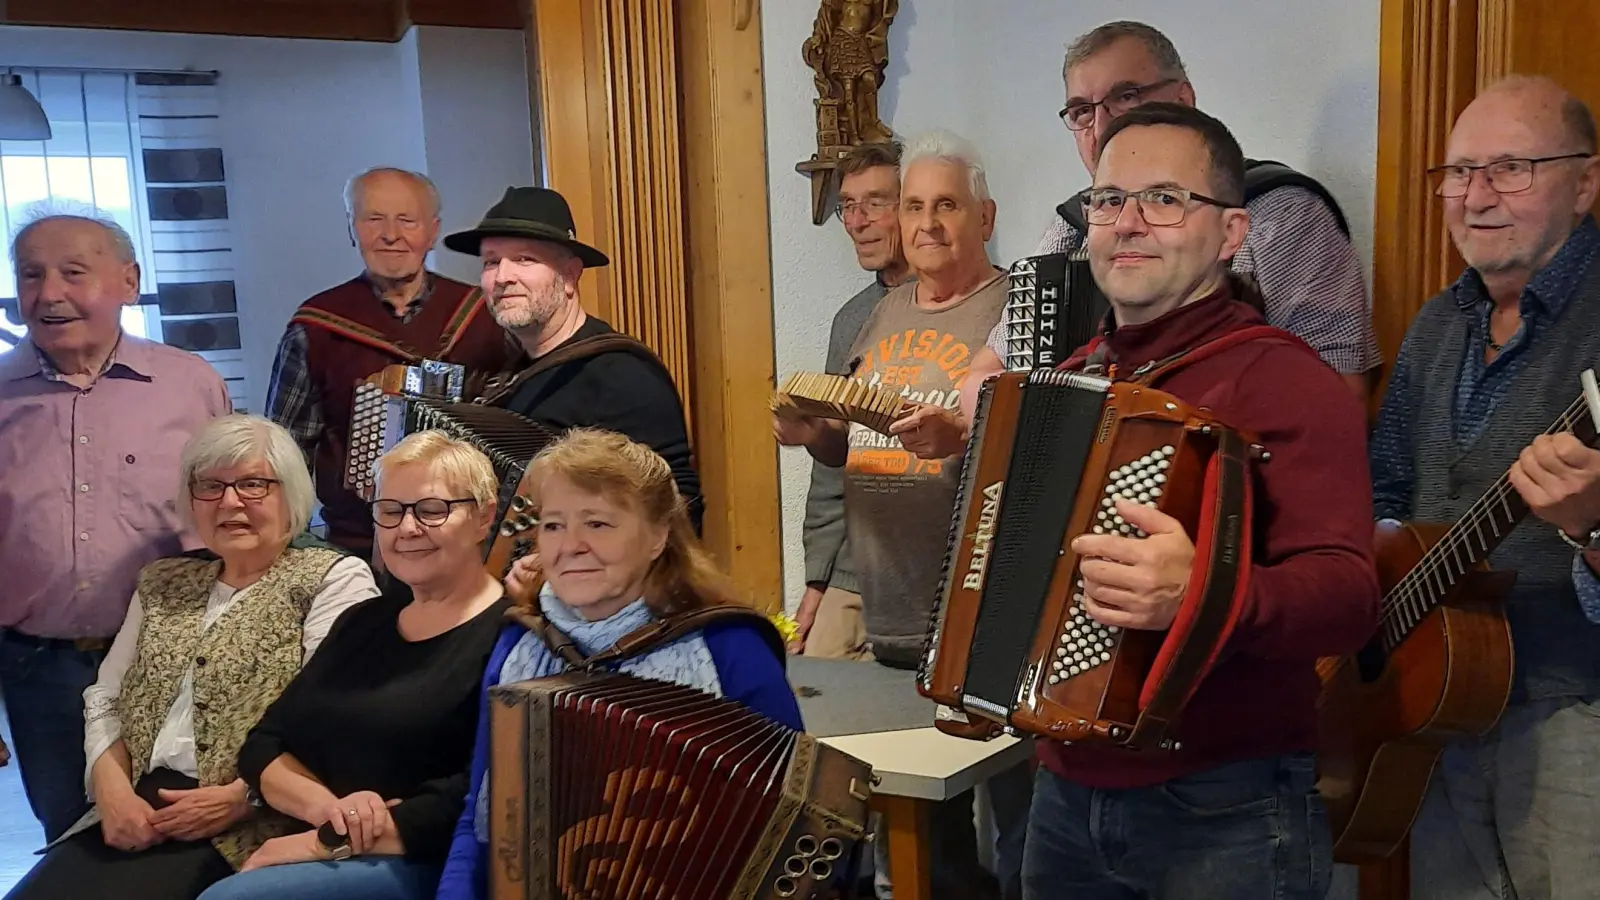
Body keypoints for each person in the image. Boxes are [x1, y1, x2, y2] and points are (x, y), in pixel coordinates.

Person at [1016, 103, 1378, 899]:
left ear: (1232, 233)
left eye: (1165, 199)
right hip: (1061, 794)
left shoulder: (1286, 381)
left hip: (1227, 807)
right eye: (1107, 201)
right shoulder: (1070, 382)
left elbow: (1350, 600)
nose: (1127, 223)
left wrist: (1205, 592)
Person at [1369, 75, 1600, 900]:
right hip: (1434, 708)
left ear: (1586, 181)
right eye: (1460, 172)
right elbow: (1384, 492)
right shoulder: (1439, 323)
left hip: (1576, 713)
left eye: (1510, 168)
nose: (1475, 196)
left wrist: (1590, 528)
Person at [774, 128, 1014, 899]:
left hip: (981, 609)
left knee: (1013, 818)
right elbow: (850, 448)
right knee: (914, 830)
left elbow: (1034, 446)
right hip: (887, 600)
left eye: (947, 205)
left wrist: (963, 439)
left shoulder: (1014, 307)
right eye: (914, 206)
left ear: (986, 215)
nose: (928, 223)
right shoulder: (883, 311)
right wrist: (813, 433)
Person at [3, 415, 380, 900]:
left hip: (254, 819)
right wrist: (110, 790)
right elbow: (105, 695)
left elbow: (332, 713)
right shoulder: (162, 580)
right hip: (135, 804)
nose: (229, 502)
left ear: (290, 495)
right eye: (210, 486)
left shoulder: (334, 578)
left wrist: (245, 796)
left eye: (252, 485)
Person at [955, 19, 1377, 432]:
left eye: (1126, 96)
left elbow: (1340, 393)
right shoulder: (1071, 226)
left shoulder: (1281, 214)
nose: (1102, 128)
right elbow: (987, 373)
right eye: (1083, 111)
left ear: (1183, 99)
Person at [434, 428, 801, 900]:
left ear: (657, 537)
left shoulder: (727, 644)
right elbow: (480, 813)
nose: (571, 545)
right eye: (554, 525)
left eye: (598, 524)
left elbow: (792, 814)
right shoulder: (518, 645)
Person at [194, 431, 512, 900]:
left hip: (428, 862)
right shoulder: (364, 619)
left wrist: (325, 842)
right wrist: (333, 814)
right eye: (390, 510)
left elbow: (473, 797)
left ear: (484, 516)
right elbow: (263, 744)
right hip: (333, 837)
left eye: (431, 510)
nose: (407, 529)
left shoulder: (509, 637)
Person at [0, 211, 231, 843]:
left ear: (128, 281)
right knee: (71, 836)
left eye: (74, 273)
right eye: (30, 275)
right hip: (38, 670)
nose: (49, 294)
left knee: (184, 825)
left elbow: (238, 526)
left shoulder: (191, 385)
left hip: (176, 655)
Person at [265, 167, 517, 560]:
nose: (390, 235)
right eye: (374, 219)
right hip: (356, 545)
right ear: (353, 228)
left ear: (431, 231)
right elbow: (287, 452)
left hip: (471, 544)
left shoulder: (485, 317)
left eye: (407, 220)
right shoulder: (316, 326)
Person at [442, 186, 703, 531]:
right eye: (491, 261)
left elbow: (680, 504)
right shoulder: (498, 373)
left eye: (524, 259)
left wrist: (565, 554)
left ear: (569, 276)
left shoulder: (622, 374)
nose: (503, 276)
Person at [795, 139, 913, 659]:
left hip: (930, 564)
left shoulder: (977, 307)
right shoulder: (852, 320)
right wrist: (817, 579)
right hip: (853, 564)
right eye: (847, 205)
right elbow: (831, 470)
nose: (857, 221)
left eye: (875, 202)